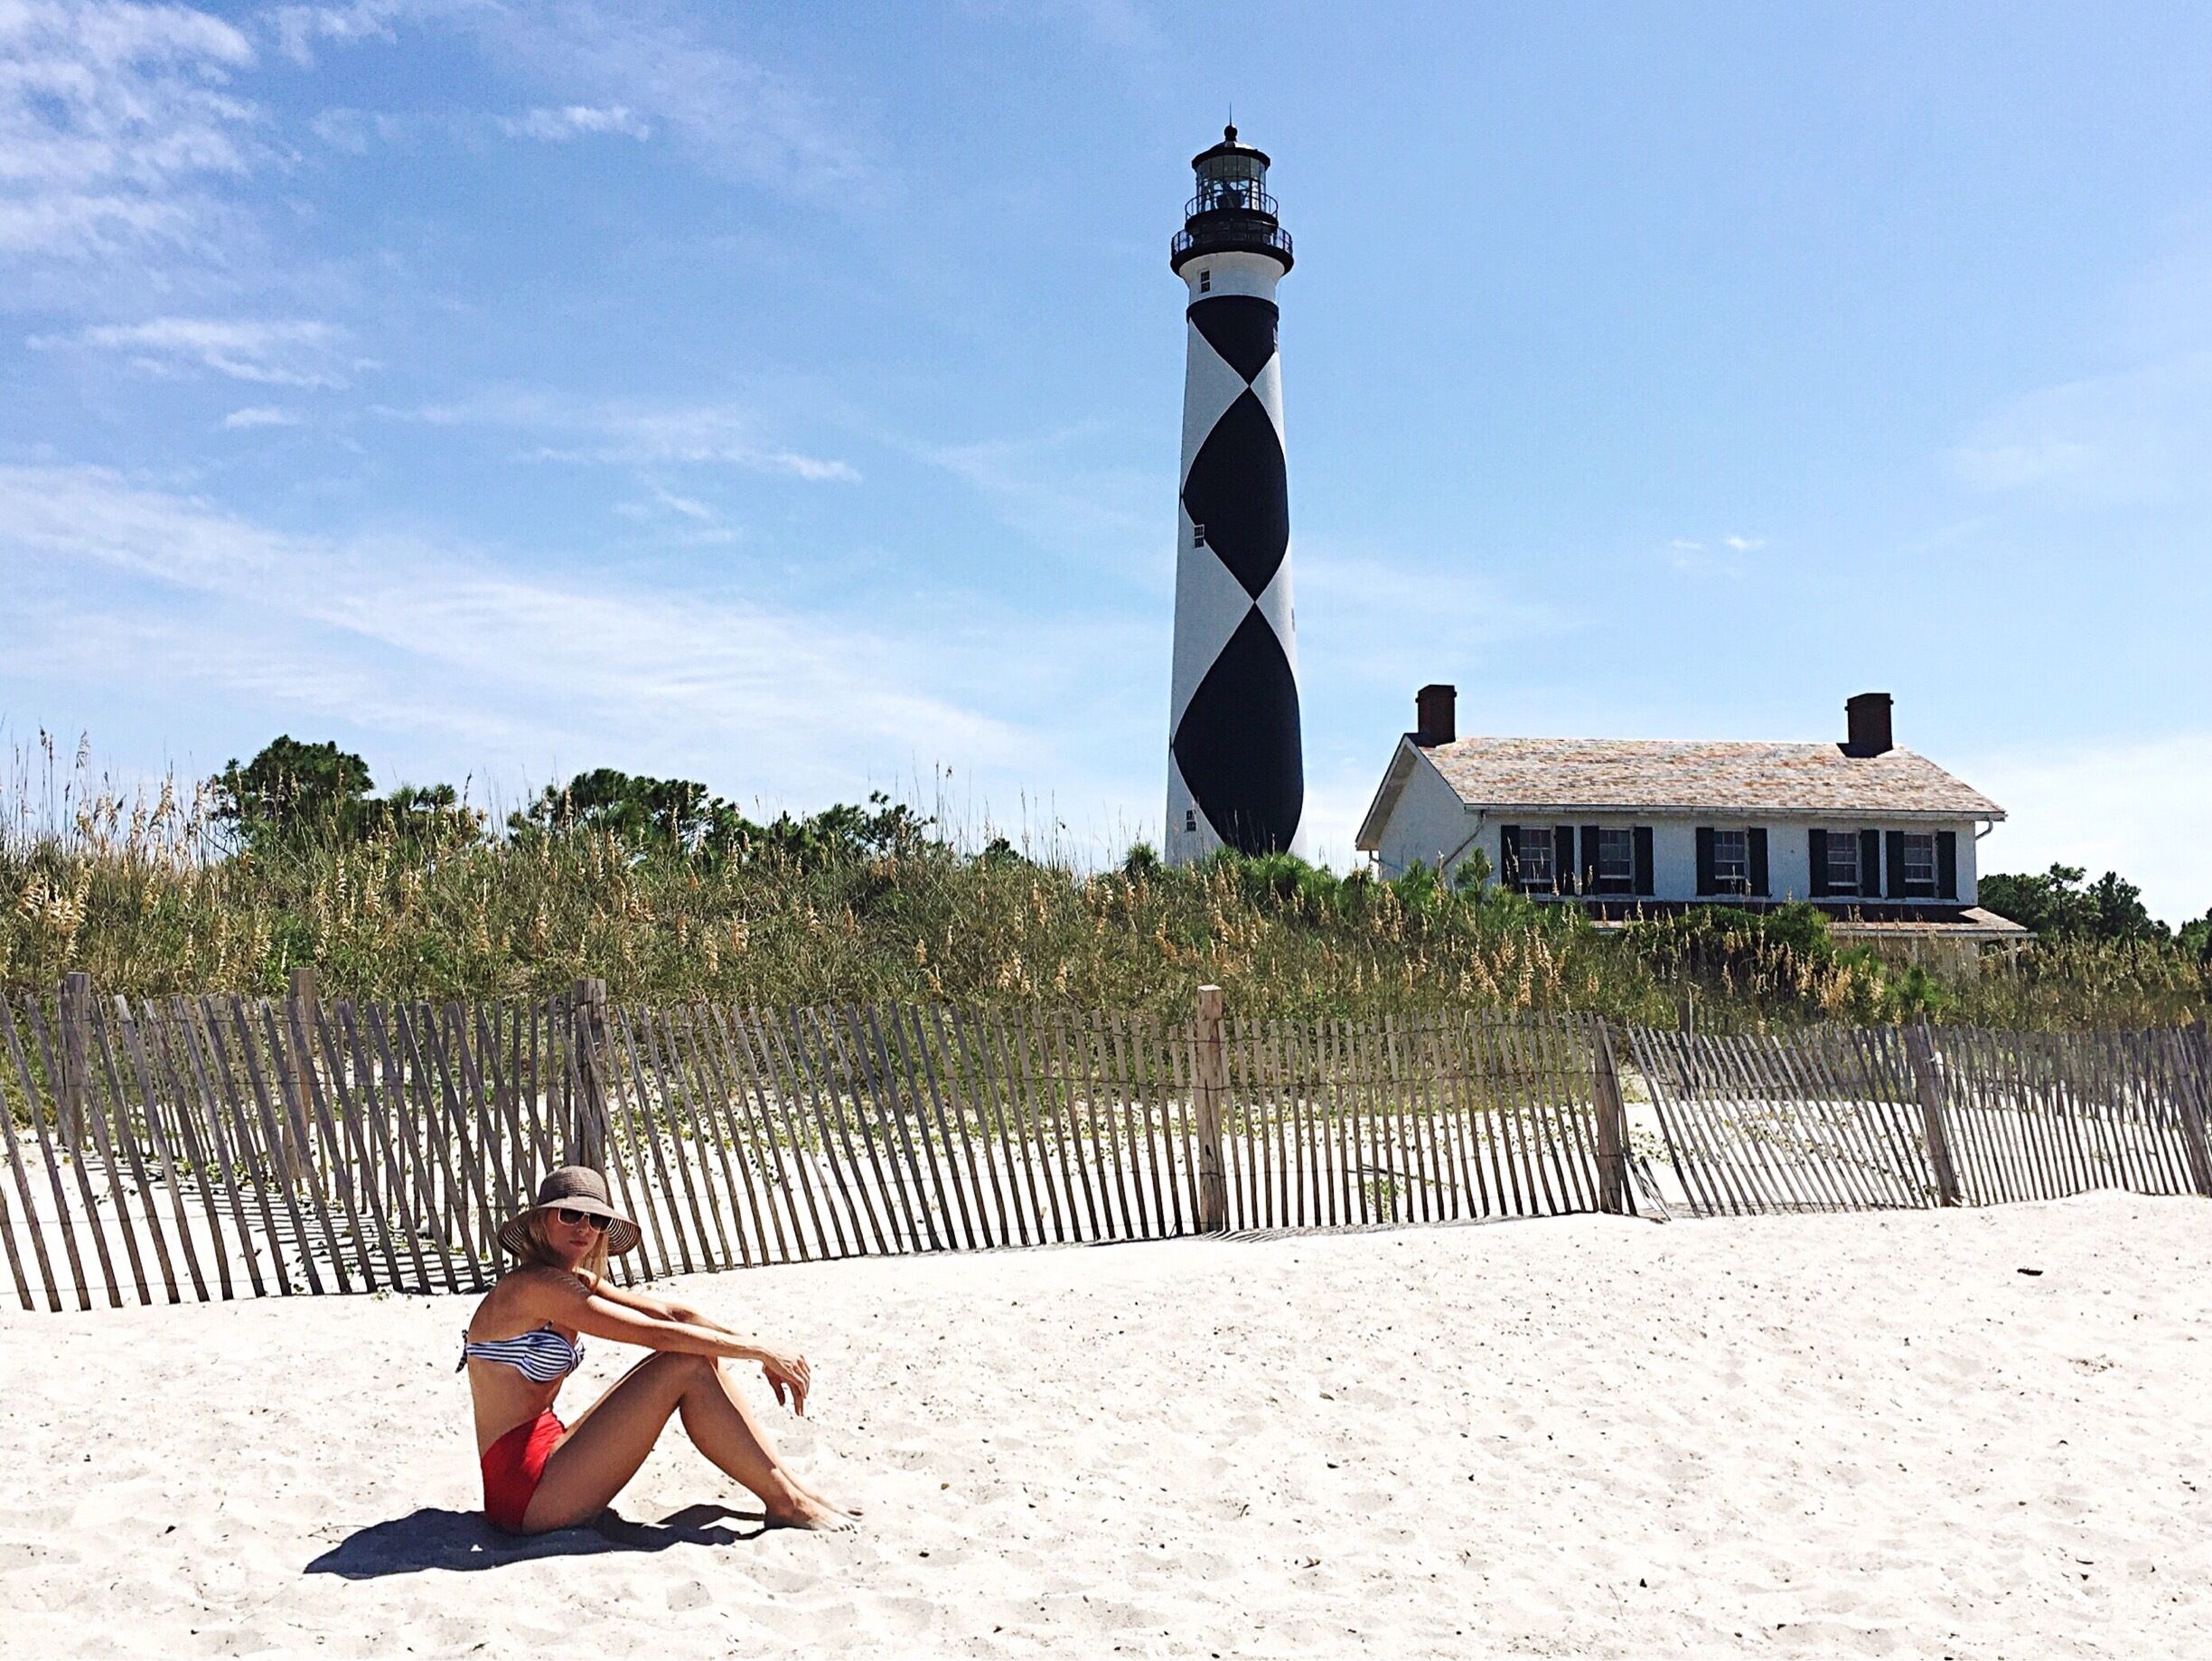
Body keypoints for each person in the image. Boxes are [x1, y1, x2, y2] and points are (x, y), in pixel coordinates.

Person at [461, 1166, 852, 1534]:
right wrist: (758, 1353)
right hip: (523, 1491)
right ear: (543, 1220)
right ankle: (786, 1501)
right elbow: (656, 1336)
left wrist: (760, 1345)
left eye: (595, 1220)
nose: (584, 1228)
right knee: (686, 1363)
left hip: (550, 1449)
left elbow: (673, 1314)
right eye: (570, 1215)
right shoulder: (534, 1287)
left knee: (698, 1355)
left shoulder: (572, 1278)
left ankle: (789, 1487)